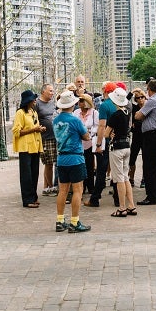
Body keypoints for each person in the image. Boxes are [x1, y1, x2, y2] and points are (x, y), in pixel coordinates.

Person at [53, 90, 92, 233]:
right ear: (73, 104)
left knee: (62, 191)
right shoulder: (75, 120)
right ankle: (74, 221)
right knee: (78, 190)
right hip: (75, 158)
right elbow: (86, 137)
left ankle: (59, 220)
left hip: (61, 158)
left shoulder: (56, 120)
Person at [134, 79, 156, 205]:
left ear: (149, 90)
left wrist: (140, 112)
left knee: (149, 166)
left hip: (152, 135)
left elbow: (138, 116)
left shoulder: (153, 100)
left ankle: (151, 196)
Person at [105, 87, 136, 217]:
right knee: (125, 177)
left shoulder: (115, 115)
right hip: (126, 146)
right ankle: (131, 205)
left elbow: (106, 133)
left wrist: (110, 133)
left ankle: (122, 207)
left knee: (118, 179)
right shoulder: (126, 112)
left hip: (116, 148)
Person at [11, 89, 44, 207]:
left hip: (35, 145)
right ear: (28, 101)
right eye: (33, 99)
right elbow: (16, 131)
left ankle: (33, 196)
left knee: (35, 173)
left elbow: (35, 126)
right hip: (25, 147)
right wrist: (33, 130)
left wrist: (39, 128)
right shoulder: (20, 113)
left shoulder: (33, 112)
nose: (35, 101)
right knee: (26, 174)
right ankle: (27, 199)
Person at [89, 82, 119, 208]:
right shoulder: (118, 105)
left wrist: (99, 143)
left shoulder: (104, 106)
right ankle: (118, 198)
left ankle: (95, 198)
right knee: (117, 171)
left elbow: (102, 125)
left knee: (101, 170)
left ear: (106, 92)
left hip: (106, 140)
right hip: (117, 140)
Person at [75, 93, 99, 201]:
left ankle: (90, 186)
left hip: (89, 141)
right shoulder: (76, 113)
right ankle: (82, 186)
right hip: (79, 142)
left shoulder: (94, 113)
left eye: (81, 101)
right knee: (80, 164)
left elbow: (97, 126)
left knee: (89, 164)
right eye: (79, 101)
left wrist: (88, 132)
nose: (79, 103)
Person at [34, 84, 58, 195]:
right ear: (43, 91)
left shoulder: (53, 103)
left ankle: (46, 187)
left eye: (53, 91)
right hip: (45, 138)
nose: (52, 93)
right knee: (48, 163)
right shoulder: (37, 104)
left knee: (53, 162)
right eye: (50, 91)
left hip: (55, 136)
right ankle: (50, 187)